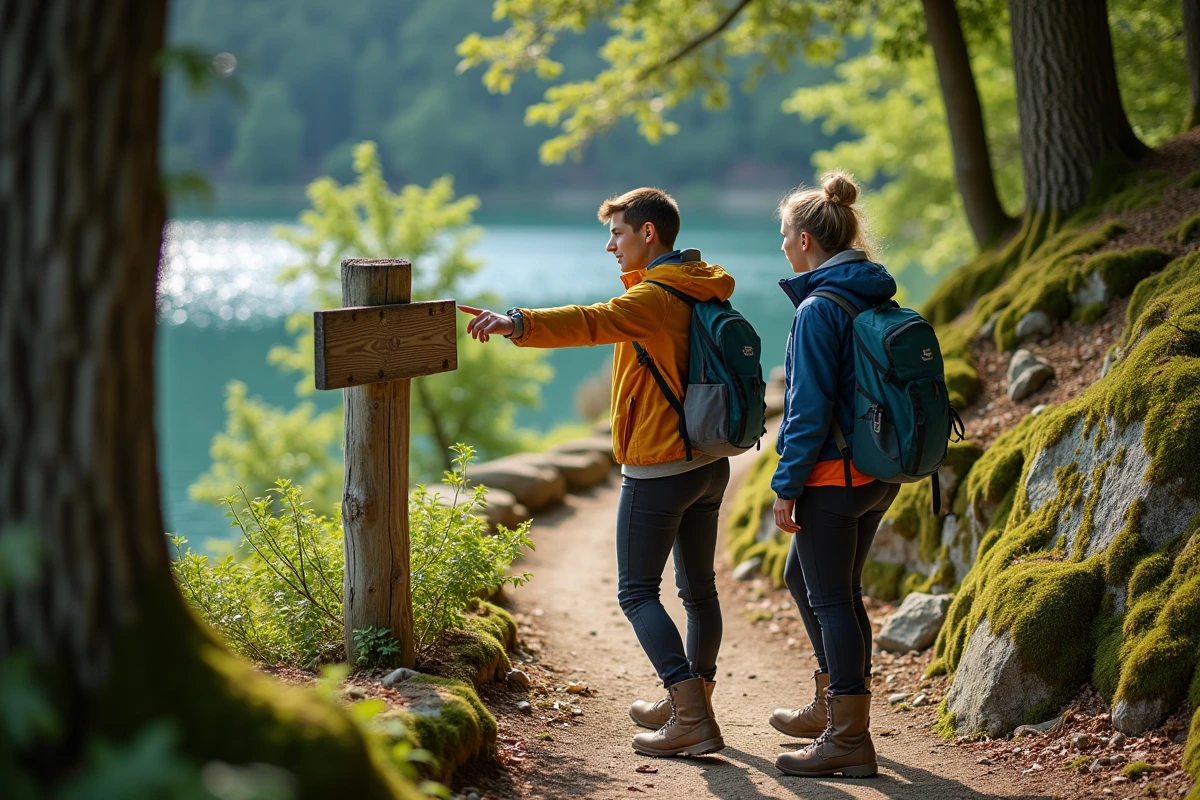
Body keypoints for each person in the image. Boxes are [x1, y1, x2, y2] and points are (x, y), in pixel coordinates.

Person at [460, 188, 733, 758]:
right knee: (698, 589)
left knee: (637, 591)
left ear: (648, 234)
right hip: (709, 460)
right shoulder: (698, 284)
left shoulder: (655, 298)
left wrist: (516, 322)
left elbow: (590, 321)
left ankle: (690, 715)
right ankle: (694, 697)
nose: (610, 245)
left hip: (661, 465)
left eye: (617, 233)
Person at [767, 171, 899, 779]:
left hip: (833, 477)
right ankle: (833, 705)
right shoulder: (873, 293)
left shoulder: (820, 307)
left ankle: (848, 737)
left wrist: (786, 484)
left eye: (785, 234)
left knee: (833, 599)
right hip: (877, 469)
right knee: (817, 584)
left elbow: (808, 407)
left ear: (804, 241)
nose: (784, 244)